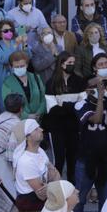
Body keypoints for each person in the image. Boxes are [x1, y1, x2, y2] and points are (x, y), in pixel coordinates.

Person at [72, 62, 107, 212]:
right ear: (88, 90)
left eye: (100, 85)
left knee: (106, 198)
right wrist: (100, 96)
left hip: (103, 158)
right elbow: (95, 119)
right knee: (79, 199)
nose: (99, 88)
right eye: (96, 86)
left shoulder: (106, 101)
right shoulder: (81, 104)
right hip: (85, 158)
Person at [44, 52, 87, 183]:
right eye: (69, 63)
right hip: (57, 127)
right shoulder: (51, 83)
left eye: (73, 63)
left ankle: (72, 188)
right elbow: (52, 109)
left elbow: (82, 105)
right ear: (61, 64)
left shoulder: (79, 81)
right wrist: (71, 106)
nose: (71, 66)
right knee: (59, 160)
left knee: (72, 160)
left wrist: (64, 105)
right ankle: (56, 189)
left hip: (74, 127)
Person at [0, 93, 25, 212]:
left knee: (0, 200)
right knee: (12, 200)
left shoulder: (0, 118)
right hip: (4, 167)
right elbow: (11, 155)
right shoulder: (17, 124)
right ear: (21, 108)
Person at [13, 120, 59, 212]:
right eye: (36, 129)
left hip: (41, 209)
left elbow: (57, 177)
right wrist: (53, 183)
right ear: (27, 137)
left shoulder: (40, 152)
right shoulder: (26, 161)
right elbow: (42, 196)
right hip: (31, 210)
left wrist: (50, 185)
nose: (41, 130)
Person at [0, 19, 28, 104]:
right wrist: (16, 45)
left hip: (18, 76)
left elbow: (28, 56)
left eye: (11, 30)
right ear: (0, 33)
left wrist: (25, 43)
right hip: (2, 80)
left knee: (20, 103)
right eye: (6, 30)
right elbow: (5, 59)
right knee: (4, 104)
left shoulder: (16, 41)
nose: (9, 32)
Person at [2, 50, 47, 120]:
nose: (20, 68)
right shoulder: (7, 83)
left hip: (39, 120)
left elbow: (44, 97)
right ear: (12, 67)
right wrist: (26, 116)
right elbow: (9, 105)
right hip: (20, 122)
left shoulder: (35, 77)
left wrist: (39, 113)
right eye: (17, 67)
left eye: (22, 66)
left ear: (27, 65)